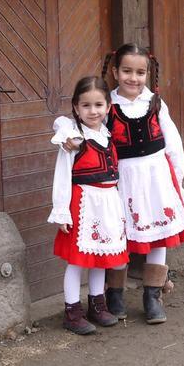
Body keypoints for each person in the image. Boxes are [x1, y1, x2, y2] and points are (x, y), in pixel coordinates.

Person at [88, 43, 184, 324]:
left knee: (158, 234)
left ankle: (152, 295)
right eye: (127, 71)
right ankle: (116, 294)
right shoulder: (107, 106)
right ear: (115, 71)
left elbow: (173, 143)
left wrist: (176, 182)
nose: (133, 78)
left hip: (156, 178)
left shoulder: (155, 103)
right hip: (124, 180)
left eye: (140, 72)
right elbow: (93, 139)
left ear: (148, 74)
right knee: (120, 234)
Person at [48, 76, 129, 335]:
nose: (92, 111)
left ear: (107, 107)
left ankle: (97, 305)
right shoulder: (72, 139)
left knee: (101, 259)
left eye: (98, 105)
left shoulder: (107, 135)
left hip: (107, 204)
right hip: (83, 206)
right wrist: (61, 211)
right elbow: (62, 177)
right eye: (86, 106)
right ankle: (72, 312)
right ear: (75, 107)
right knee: (78, 262)